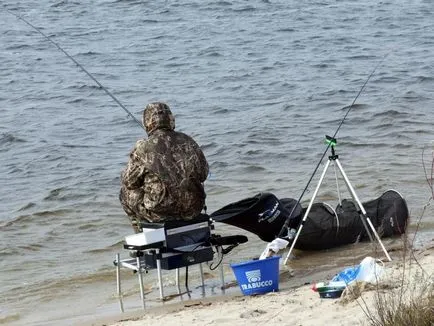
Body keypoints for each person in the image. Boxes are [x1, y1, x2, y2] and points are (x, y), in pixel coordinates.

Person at [119, 102, 209, 232]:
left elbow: (129, 181)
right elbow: (203, 174)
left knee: (124, 193)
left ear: (147, 122)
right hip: (193, 210)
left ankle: (141, 233)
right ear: (171, 119)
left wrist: (137, 153)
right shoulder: (188, 141)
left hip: (162, 215)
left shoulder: (143, 147)